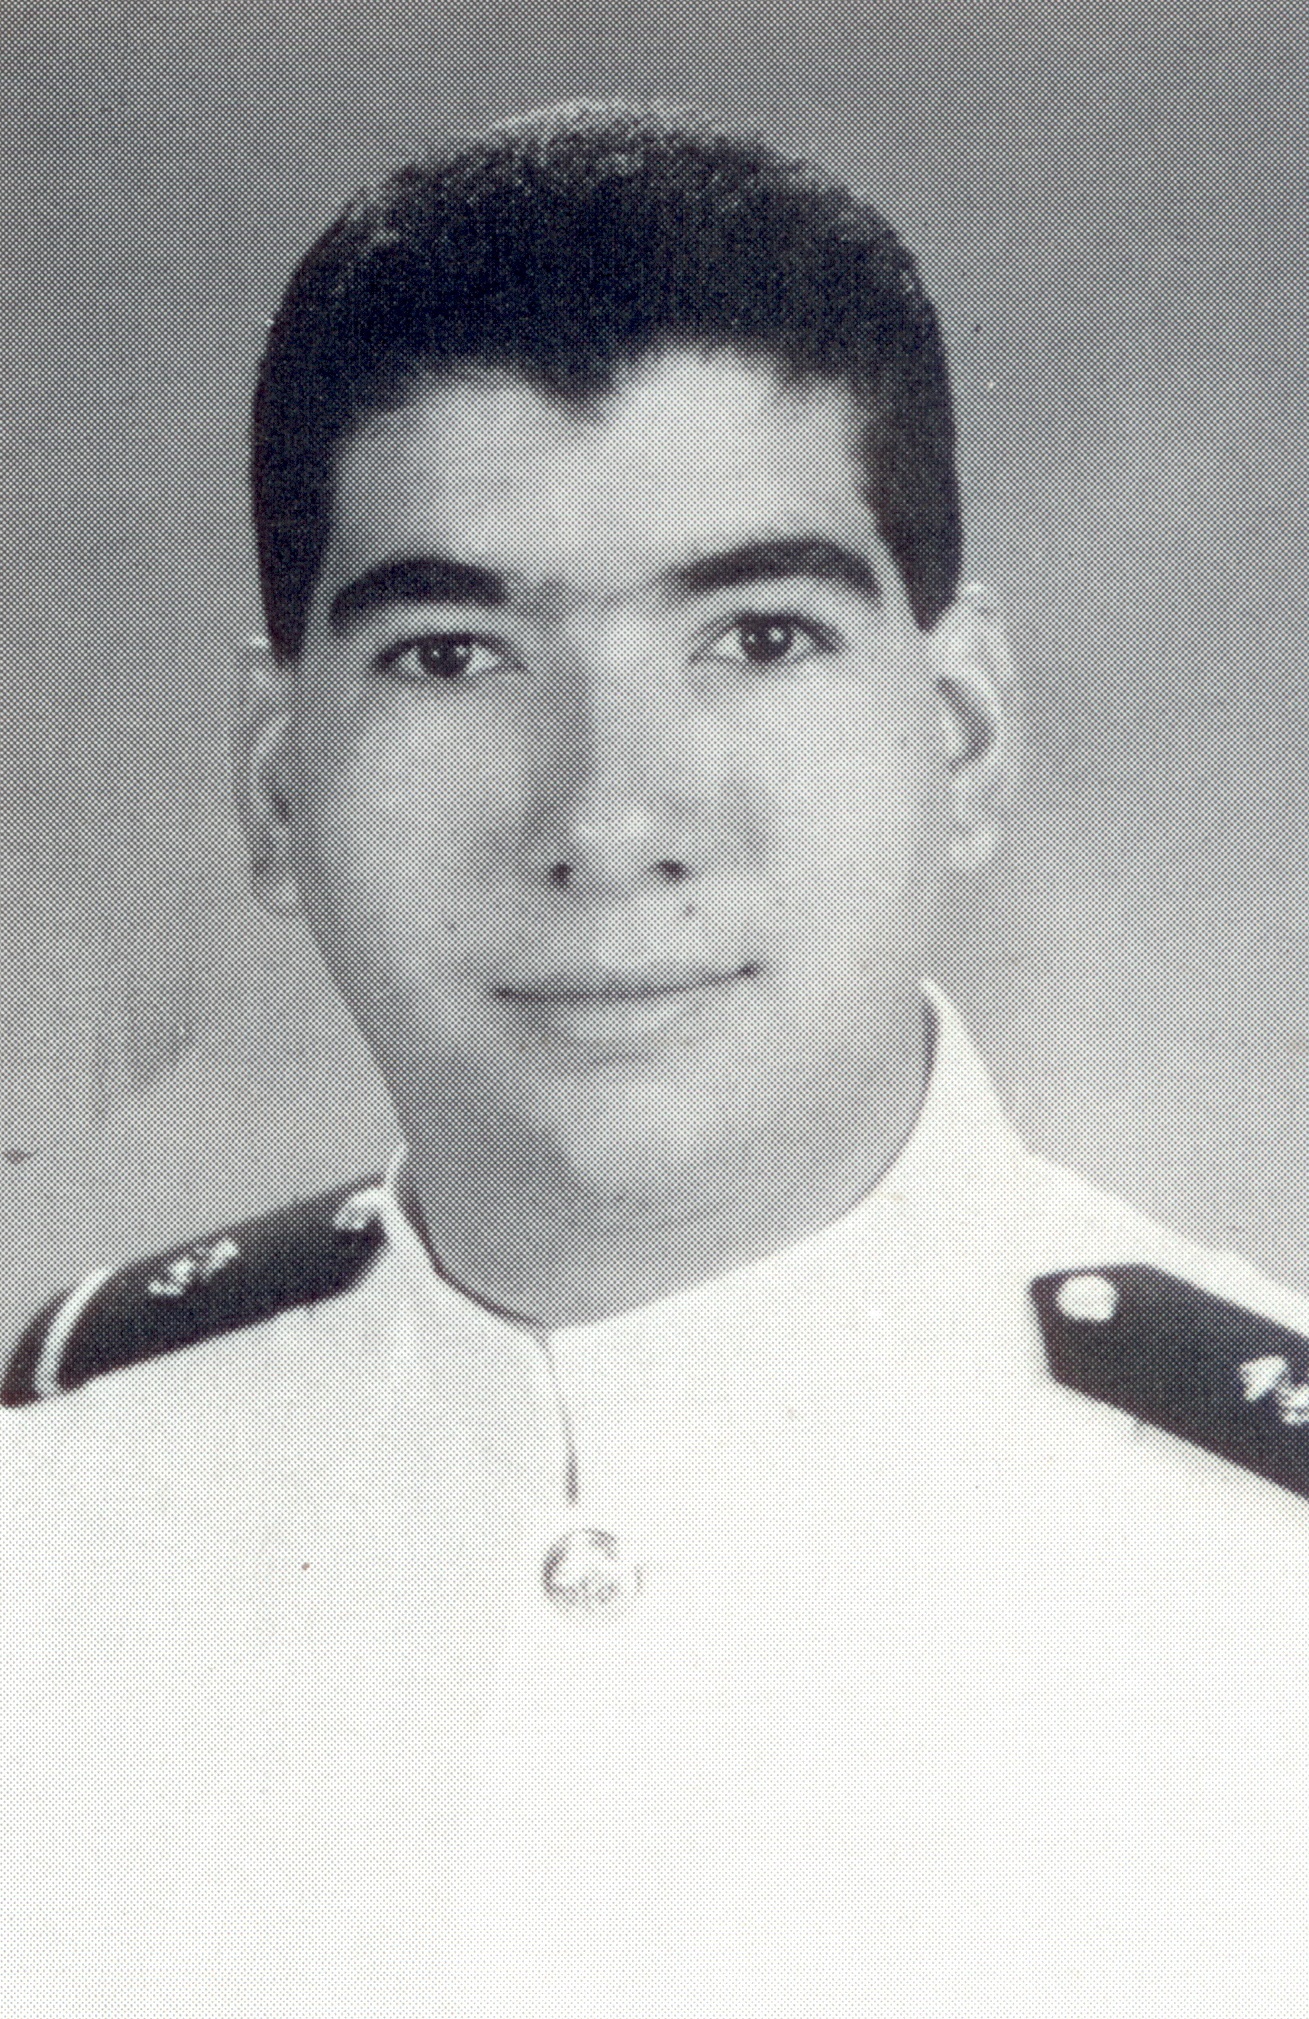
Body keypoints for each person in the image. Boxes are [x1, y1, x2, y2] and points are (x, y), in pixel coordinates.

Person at [3, 102, 1308, 2017]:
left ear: (959, 735)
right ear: (277, 786)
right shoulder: (48, 1522)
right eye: (452, 653)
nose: (609, 820)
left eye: (758, 637)